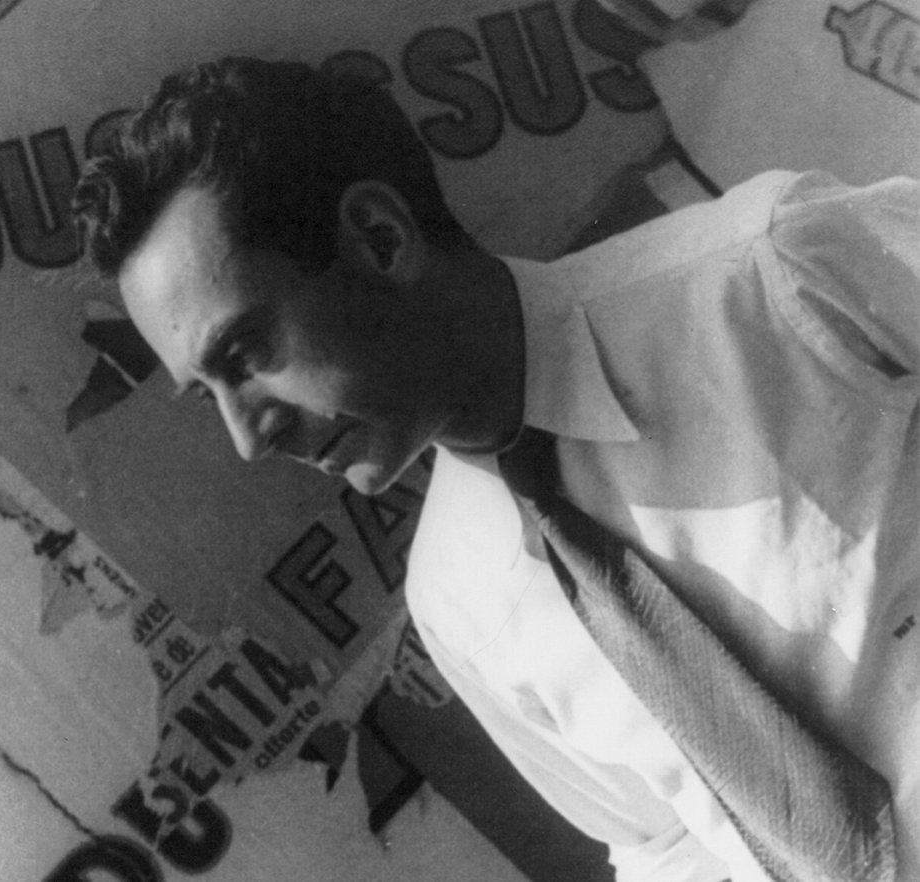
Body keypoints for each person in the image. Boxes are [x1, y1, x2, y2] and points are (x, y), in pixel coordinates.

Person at [72, 57, 919, 882]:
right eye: (207, 394)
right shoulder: (457, 598)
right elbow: (662, 845)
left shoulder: (771, 274)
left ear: (379, 238)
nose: (248, 439)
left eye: (245, 354)